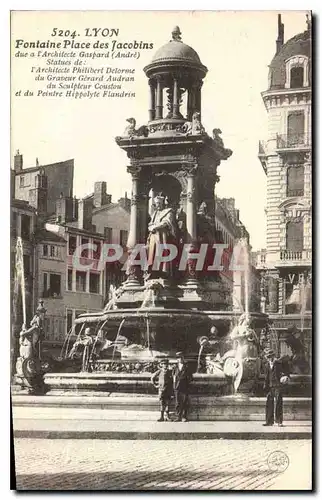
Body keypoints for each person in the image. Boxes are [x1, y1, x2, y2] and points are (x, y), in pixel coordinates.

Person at [147, 195, 178, 278]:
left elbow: (166, 222)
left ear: (163, 203)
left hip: (163, 236)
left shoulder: (169, 211)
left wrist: (155, 227)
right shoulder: (155, 213)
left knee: (162, 253)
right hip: (154, 236)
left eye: (159, 203)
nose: (157, 205)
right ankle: (153, 271)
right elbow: (151, 223)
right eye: (156, 203)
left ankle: (163, 272)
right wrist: (150, 226)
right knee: (152, 253)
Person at [263, 348, 284, 427]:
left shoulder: (279, 363)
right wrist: (265, 386)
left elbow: (284, 372)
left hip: (278, 386)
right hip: (270, 386)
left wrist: (284, 378)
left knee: (278, 403)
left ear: (273, 356)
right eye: (268, 357)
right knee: (269, 403)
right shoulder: (267, 365)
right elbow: (266, 377)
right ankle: (269, 421)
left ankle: (279, 421)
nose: (269, 358)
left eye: (270, 356)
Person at [173, 352, 193, 422]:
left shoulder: (187, 367)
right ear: (177, 359)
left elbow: (190, 377)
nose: (180, 359)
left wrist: (187, 383)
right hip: (177, 387)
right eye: (179, 358)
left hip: (185, 387)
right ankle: (178, 417)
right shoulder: (175, 367)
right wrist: (174, 386)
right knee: (177, 403)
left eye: (181, 357)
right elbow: (174, 377)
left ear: (183, 358)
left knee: (185, 402)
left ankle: (184, 417)